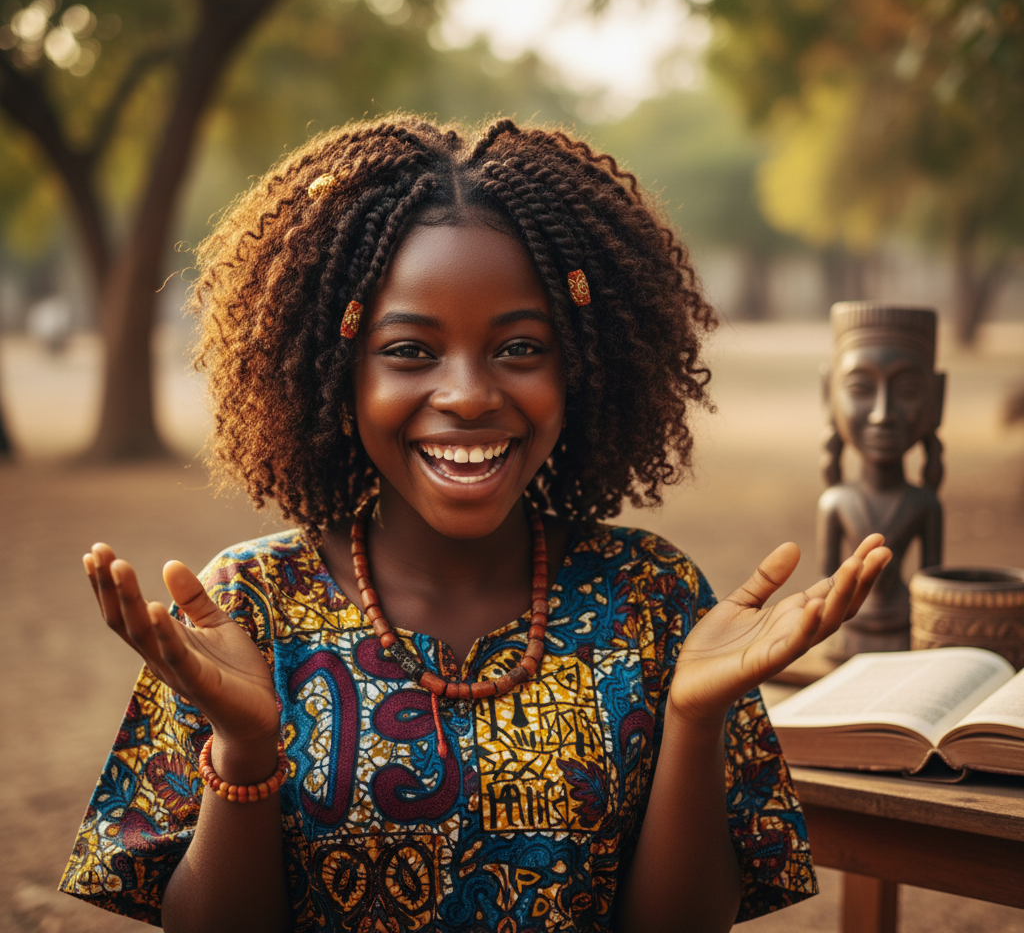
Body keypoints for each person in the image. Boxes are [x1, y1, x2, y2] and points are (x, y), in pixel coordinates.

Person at [61, 117, 890, 933]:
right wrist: (244, 750)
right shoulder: (245, 608)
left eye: (521, 348)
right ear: (338, 375)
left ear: (582, 370)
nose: (468, 394)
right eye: (411, 351)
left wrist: (693, 719)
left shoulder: (654, 600)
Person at [818, 302, 944, 658]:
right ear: (827, 392)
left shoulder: (925, 504)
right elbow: (825, 588)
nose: (882, 414)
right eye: (860, 388)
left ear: (938, 398)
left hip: (908, 632)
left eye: (906, 391)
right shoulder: (834, 503)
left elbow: (932, 591)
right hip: (848, 632)